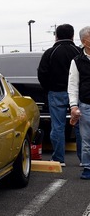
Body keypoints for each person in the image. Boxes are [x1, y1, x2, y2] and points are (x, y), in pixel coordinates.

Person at [38, 24, 82, 166]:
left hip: (56, 92)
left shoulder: (50, 52)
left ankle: (58, 158)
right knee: (80, 126)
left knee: (57, 126)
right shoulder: (79, 52)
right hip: (78, 94)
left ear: (56, 36)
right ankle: (83, 159)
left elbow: (42, 73)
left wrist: (48, 88)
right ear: (72, 35)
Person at [69, 26, 90, 179]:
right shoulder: (77, 61)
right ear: (84, 41)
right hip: (86, 104)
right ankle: (87, 167)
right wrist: (73, 105)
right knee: (86, 139)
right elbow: (73, 84)